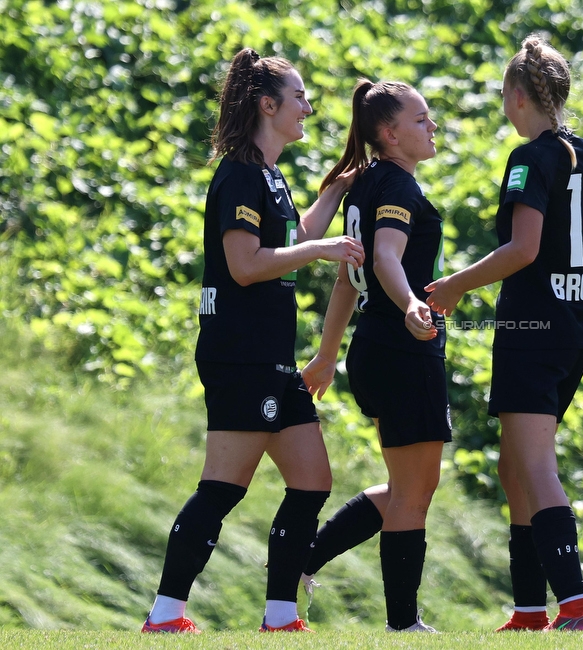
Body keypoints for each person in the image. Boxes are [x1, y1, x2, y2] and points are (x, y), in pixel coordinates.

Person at [141, 47, 365, 634]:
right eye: (299, 98)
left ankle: (281, 617)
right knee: (222, 487)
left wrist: (333, 195)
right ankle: (165, 616)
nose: (308, 109)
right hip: (239, 354)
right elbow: (245, 264)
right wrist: (319, 250)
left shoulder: (270, 174)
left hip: (271, 359)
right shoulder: (239, 173)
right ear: (268, 105)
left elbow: (295, 234)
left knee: (313, 479)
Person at [424, 35, 583, 632]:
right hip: (575, 326)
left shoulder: (530, 156)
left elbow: (523, 249)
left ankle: (575, 606)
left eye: (504, 93)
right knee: (514, 465)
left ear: (519, 95)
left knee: (533, 463)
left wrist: (454, 285)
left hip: (535, 327)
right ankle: (529, 609)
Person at [300, 78, 450, 633]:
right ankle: (402, 626)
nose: (431, 126)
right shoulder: (395, 187)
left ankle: (302, 561)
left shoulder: (368, 184)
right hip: (402, 346)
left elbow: (347, 277)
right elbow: (386, 257)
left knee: (407, 486)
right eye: (420, 120)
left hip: (375, 346)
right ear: (389, 134)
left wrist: (326, 355)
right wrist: (413, 304)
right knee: (415, 490)